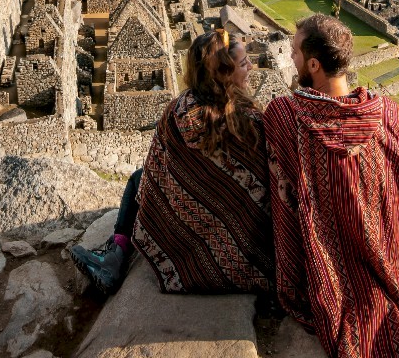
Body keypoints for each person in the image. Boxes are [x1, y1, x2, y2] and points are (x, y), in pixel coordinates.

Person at [264, 13, 399, 358]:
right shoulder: (387, 112)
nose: (290, 56)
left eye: (296, 51)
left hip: (337, 276)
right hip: (393, 251)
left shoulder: (286, 116)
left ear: (314, 65)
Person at [70, 28, 274, 296]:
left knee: (140, 178)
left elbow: (157, 167)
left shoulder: (179, 112)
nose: (251, 67)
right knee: (144, 177)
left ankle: (117, 253)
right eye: (244, 63)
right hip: (246, 244)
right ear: (224, 72)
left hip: (185, 233)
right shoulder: (250, 122)